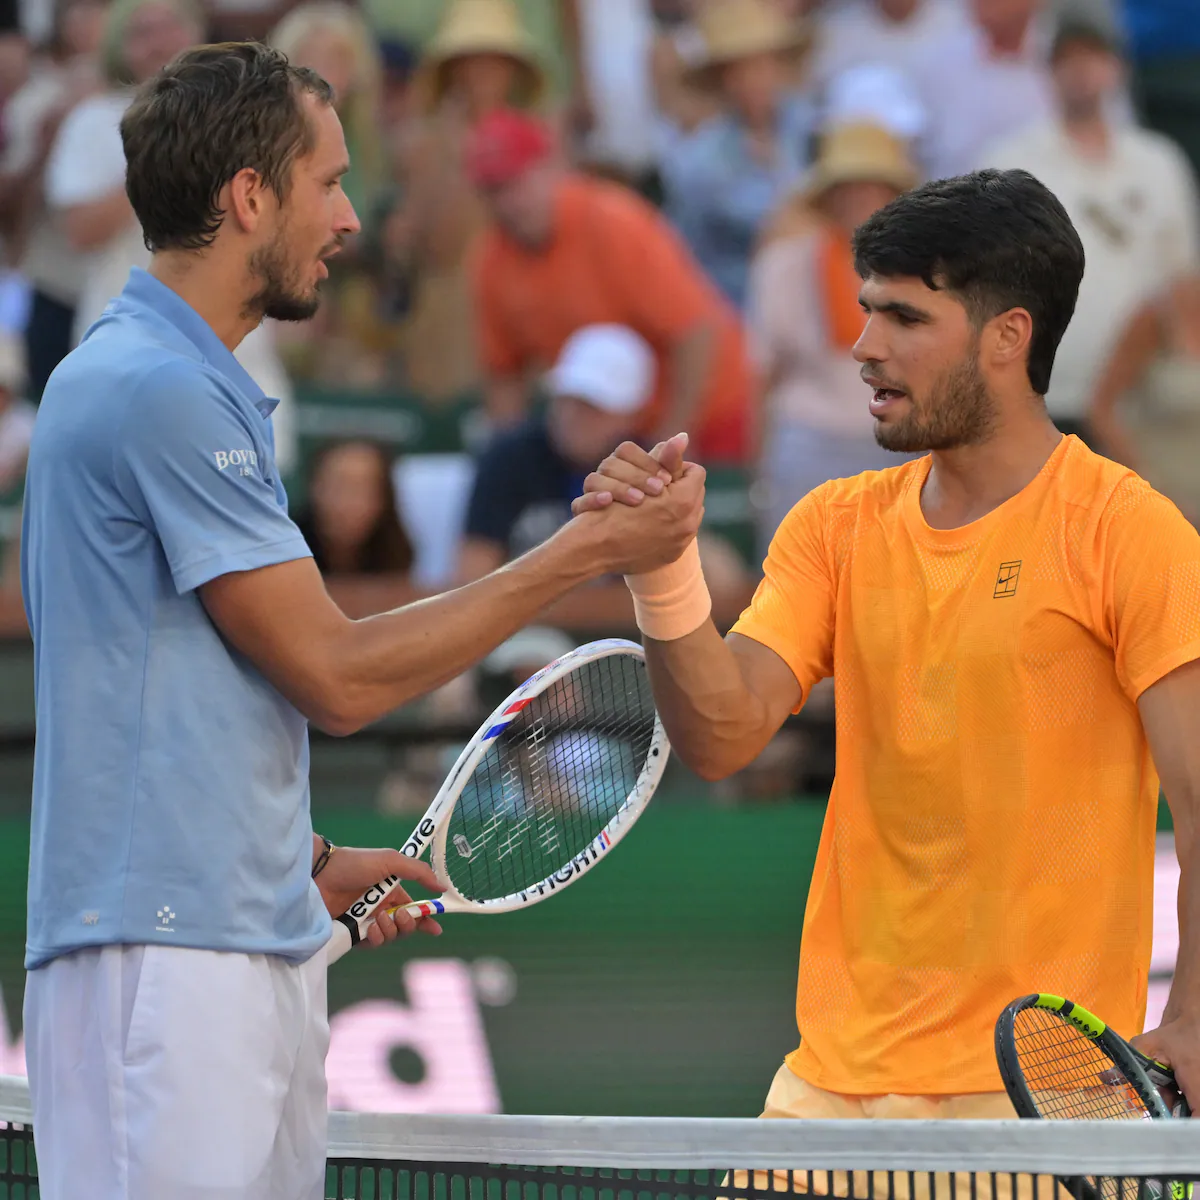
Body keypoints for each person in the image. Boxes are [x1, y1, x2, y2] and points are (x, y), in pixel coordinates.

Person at [20, 41, 703, 1200]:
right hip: (167, 954)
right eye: (328, 182)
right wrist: (582, 554)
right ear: (249, 199)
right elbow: (334, 676)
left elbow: (199, 693)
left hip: (233, 932)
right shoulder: (158, 388)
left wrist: (310, 863)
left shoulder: (180, 381)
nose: (348, 217)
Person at [574, 168, 1200, 1114]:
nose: (862, 347)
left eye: (904, 319)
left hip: (1031, 1104)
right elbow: (721, 733)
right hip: (825, 1089)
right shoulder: (833, 524)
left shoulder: (1129, 531)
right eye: (867, 312)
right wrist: (664, 572)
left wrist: (1191, 1020)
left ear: (1007, 337)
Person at [468, 105, 754, 463]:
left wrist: (675, 439)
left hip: (709, 412)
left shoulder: (612, 222)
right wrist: (504, 463)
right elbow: (504, 376)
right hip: (608, 436)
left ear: (549, 168)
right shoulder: (491, 262)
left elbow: (696, 332)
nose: (509, 202)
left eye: (517, 182)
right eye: (494, 190)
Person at [983, 15, 1199, 445]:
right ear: (1047, 71)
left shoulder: (1160, 162)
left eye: (1093, 56)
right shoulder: (1009, 164)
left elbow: (1183, 280)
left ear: (1118, 67)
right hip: (1042, 392)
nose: (1081, 70)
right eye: (1067, 59)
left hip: (1141, 403)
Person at [457, 322, 754, 628]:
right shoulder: (509, 458)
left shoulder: (645, 465)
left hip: (624, 631)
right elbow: (471, 577)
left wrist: (676, 529)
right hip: (526, 627)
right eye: (568, 398)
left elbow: (722, 580)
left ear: (630, 415)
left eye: (593, 406)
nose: (573, 416)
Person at [748, 120, 919, 552]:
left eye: (871, 185)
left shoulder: (929, 273)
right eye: (847, 186)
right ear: (828, 196)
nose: (859, 197)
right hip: (809, 439)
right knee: (798, 583)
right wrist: (758, 466)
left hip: (901, 440)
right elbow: (761, 374)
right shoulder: (783, 265)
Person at [659, 0, 816, 311]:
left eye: (759, 64)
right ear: (720, 80)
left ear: (778, 66)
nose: (750, 81)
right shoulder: (697, 161)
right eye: (736, 70)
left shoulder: (813, 128)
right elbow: (685, 257)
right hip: (738, 306)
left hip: (822, 303)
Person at [293, 438, 420, 618]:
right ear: (314, 487)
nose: (349, 501)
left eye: (365, 488)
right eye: (339, 485)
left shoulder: (397, 547)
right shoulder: (285, 548)